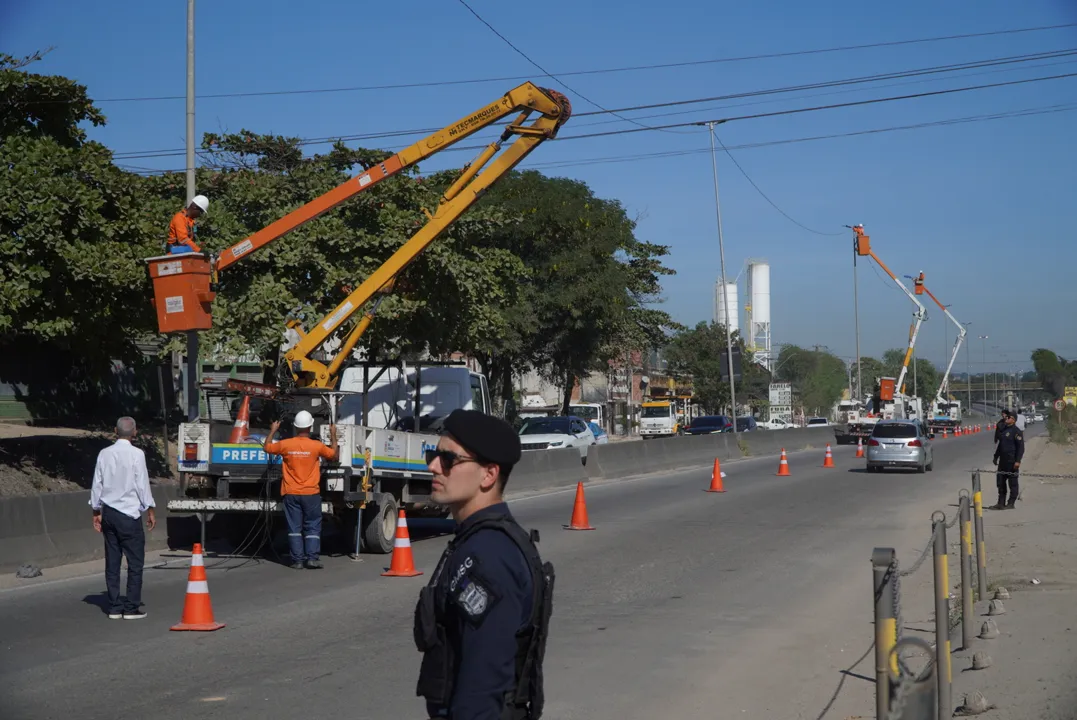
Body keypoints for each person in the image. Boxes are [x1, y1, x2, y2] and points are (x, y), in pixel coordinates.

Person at [414, 409, 554, 720]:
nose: (434, 466)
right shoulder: (477, 540)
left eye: (449, 460)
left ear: (488, 475)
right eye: (432, 455)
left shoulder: (488, 556)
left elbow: (484, 684)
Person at [89, 417, 156, 620]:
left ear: (115, 431)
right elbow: (142, 483)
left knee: (112, 561)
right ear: (134, 432)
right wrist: (150, 508)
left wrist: (95, 511)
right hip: (129, 514)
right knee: (135, 563)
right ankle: (131, 607)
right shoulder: (137, 454)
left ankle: (115, 606)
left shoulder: (104, 453)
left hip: (109, 513)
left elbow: (97, 483)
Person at [263, 410, 337, 569]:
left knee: (294, 527)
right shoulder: (316, 446)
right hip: (311, 493)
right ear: (310, 426)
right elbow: (333, 455)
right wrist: (333, 434)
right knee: (312, 526)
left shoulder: (286, 444)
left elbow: (267, 448)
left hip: (291, 493)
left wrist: (273, 430)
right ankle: (312, 558)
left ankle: (297, 560)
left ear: (295, 427)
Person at [992, 412, 1024, 510]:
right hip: (1003, 461)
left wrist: (1018, 461)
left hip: (1012, 461)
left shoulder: (1016, 431)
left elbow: (1021, 448)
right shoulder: (1004, 430)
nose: (1006, 418)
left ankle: (1011, 503)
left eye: (1008, 417)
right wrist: (996, 457)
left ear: (1013, 419)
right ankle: (1001, 503)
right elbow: (1000, 446)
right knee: (1000, 482)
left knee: (1012, 483)